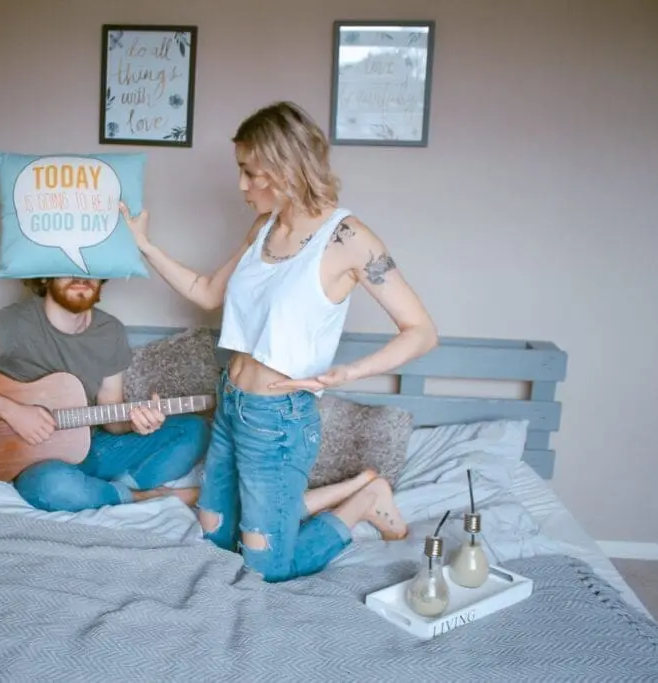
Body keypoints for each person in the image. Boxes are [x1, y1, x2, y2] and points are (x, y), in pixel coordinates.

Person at [119, 101, 439, 582]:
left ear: (286, 166)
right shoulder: (264, 228)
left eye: (251, 172)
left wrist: (350, 372)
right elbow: (207, 292)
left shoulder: (347, 238)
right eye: (240, 172)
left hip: (279, 421)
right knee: (213, 538)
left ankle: (364, 502)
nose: (242, 186)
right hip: (231, 404)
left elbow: (422, 331)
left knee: (266, 569)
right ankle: (300, 510)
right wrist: (145, 246)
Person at [0, 276, 211, 512]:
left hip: (92, 448)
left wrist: (135, 423)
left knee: (195, 430)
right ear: (45, 275)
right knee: (52, 486)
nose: (80, 276)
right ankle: (141, 497)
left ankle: (105, 489)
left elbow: (112, 416)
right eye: (67, 265)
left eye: (89, 267)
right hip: (36, 464)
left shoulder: (110, 331)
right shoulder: (12, 324)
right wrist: (11, 411)